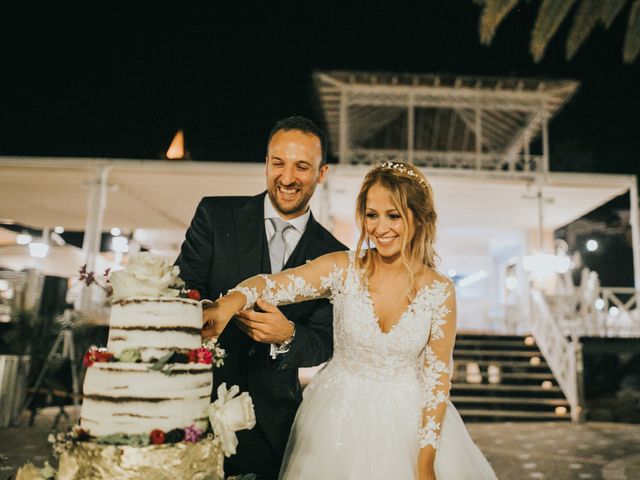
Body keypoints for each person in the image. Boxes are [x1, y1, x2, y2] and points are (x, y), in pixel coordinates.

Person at [204, 162, 498, 479]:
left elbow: (437, 381)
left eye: (394, 215)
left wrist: (426, 462)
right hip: (336, 420)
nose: (380, 228)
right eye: (372, 215)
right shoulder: (341, 269)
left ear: (419, 217)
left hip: (410, 424)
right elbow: (271, 284)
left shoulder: (439, 290)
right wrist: (226, 305)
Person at [175, 116, 347, 479]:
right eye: (278, 163)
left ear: (322, 173)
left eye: (302, 166)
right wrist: (208, 311)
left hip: (273, 426)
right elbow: (182, 291)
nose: (287, 178)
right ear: (266, 162)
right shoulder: (215, 214)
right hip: (195, 409)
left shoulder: (333, 253)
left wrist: (288, 336)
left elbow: (325, 340)